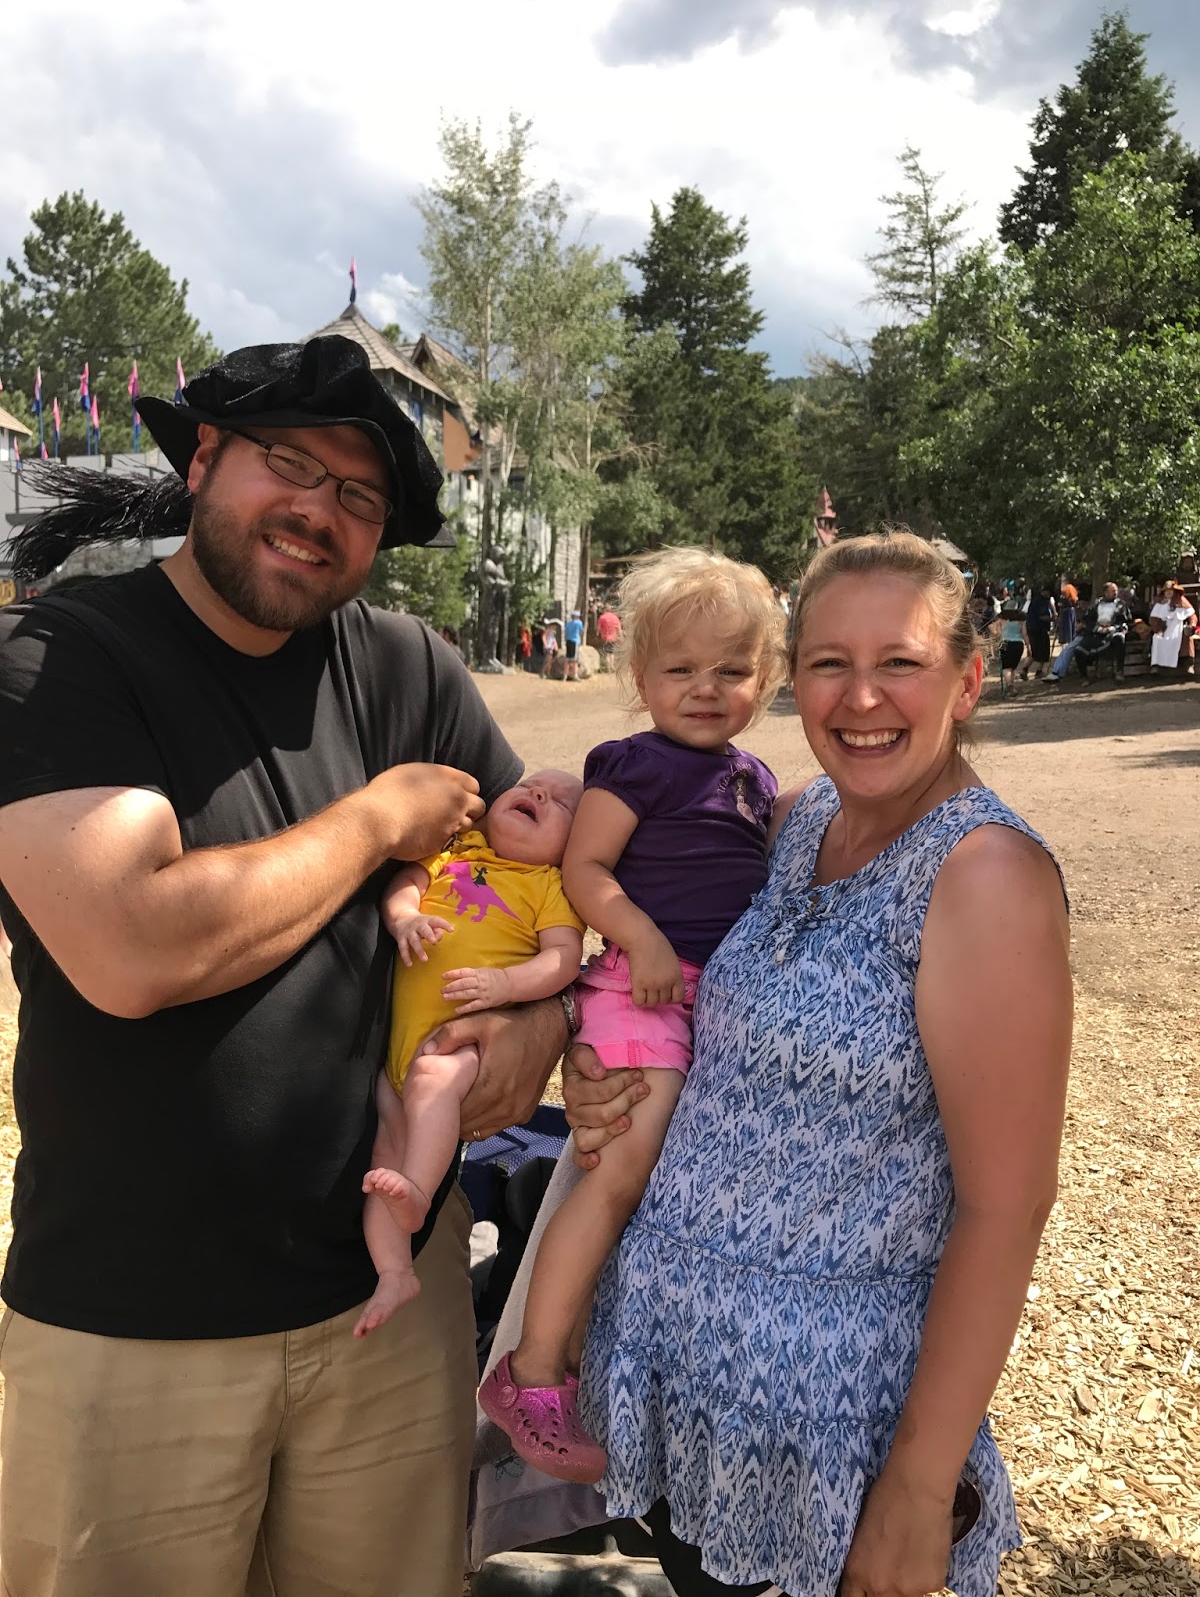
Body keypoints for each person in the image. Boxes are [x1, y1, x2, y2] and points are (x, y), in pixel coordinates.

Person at [0, 336, 571, 1597]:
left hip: (389, 1306)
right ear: (205, 457)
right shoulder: (62, 657)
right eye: (291, 465)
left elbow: (553, 868)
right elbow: (130, 946)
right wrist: (377, 820)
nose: (321, 509)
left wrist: (537, 1029)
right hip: (132, 1326)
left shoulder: (409, 667)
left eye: (360, 494)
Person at [563, 531, 1071, 1597]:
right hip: (676, 1383)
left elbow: (1006, 1206)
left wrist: (919, 1488)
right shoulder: (792, 821)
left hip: (820, 1431)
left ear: (968, 682)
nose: (861, 696)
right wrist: (593, 1054)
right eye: (830, 662)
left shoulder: (983, 875)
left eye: (901, 662)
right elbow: (683, 987)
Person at [479, 548, 785, 1485]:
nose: (705, 689)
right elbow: (586, 869)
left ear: (766, 678)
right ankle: (531, 1374)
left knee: (652, 1178)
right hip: (639, 985)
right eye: (680, 669)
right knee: (616, 1174)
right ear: (640, 677)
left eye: (731, 670)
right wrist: (642, 938)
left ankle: (592, 1351)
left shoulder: (752, 777)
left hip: (701, 997)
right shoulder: (635, 766)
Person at [358, 770, 585, 1336]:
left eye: (561, 803)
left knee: (431, 1084)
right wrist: (405, 918)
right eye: (531, 785)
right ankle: (393, 1272)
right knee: (384, 1153)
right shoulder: (456, 849)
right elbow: (406, 883)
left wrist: (506, 985)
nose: (538, 794)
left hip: (462, 1045)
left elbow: (562, 959)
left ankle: (419, 1190)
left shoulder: (549, 886)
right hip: (397, 1049)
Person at [1074, 582, 1132, 685]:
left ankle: (1119, 672)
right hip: (1096, 633)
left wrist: (1111, 628)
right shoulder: (1096, 604)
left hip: (1113, 631)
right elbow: (1088, 620)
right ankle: (1084, 677)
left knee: (1120, 638)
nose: (1115, 593)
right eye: (1113, 591)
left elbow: (1124, 621)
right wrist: (1098, 629)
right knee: (1079, 650)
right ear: (1105, 593)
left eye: (1116, 591)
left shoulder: (1120, 604)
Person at [1148, 582, 1196, 675]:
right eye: (1167, 591)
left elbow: (1192, 615)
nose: (1169, 593)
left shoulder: (1182, 601)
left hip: (1179, 628)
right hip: (1164, 629)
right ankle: (1156, 665)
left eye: (1171, 591)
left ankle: (1188, 665)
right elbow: (1153, 620)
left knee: (1187, 637)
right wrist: (1158, 629)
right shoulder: (1159, 604)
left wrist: (1192, 625)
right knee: (1156, 639)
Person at [1020, 585, 1056, 680]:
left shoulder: (1039, 600)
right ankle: (1031, 670)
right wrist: (1053, 619)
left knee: (1038, 651)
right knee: (1039, 651)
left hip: (1034, 628)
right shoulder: (1040, 601)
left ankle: (1031, 670)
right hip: (1038, 629)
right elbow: (1042, 616)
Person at [992, 601, 1027, 692]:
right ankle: (1011, 684)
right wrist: (1028, 646)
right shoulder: (1021, 621)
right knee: (1012, 667)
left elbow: (993, 629)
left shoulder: (1001, 620)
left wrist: (997, 635)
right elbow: (1024, 634)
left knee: (1006, 667)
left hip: (1005, 643)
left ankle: (1009, 685)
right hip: (1018, 644)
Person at [596, 603, 622, 670]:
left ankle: (608, 668)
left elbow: (598, 629)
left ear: (605, 610)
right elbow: (619, 629)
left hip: (605, 637)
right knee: (612, 653)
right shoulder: (615, 617)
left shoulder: (602, 617)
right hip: (613, 638)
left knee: (607, 654)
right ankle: (612, 666)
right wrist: (621, 637)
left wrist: (597, 634)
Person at [564, 608, 585, 682]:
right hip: (575, 641)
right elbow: (581, 632)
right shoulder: (579, 623)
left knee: (567, 659)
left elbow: (565, 633)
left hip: (568, 641)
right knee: (575, 660)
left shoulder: (568, 623)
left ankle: (565, 676)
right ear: (576, 616)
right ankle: (575, 676)